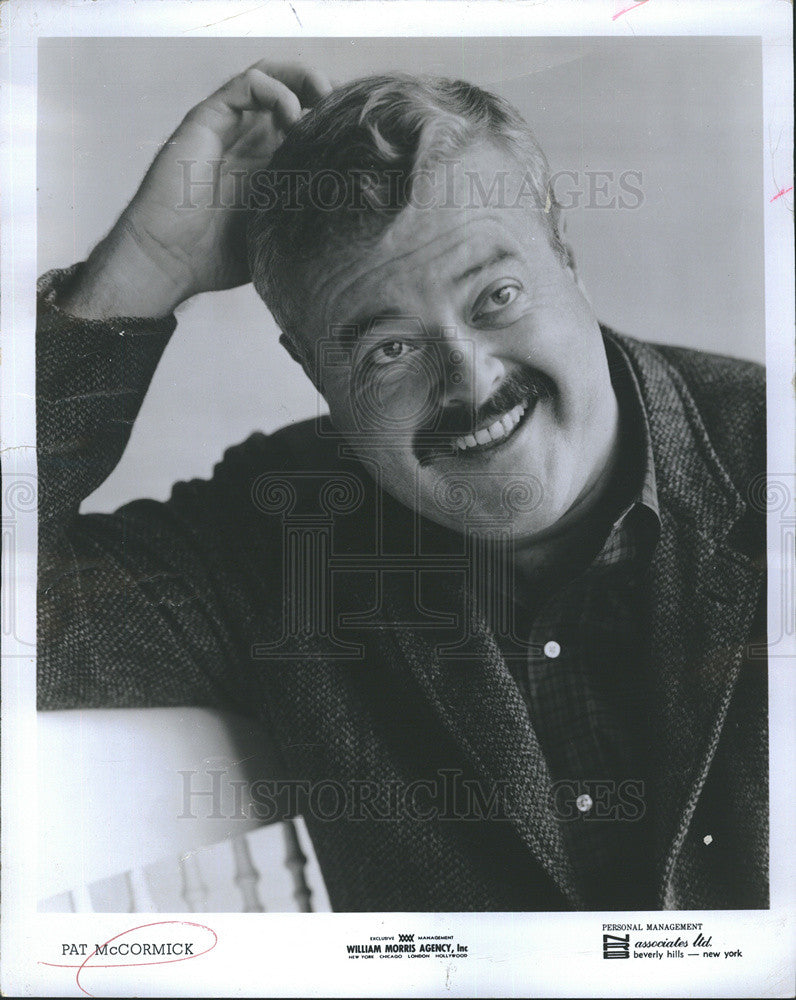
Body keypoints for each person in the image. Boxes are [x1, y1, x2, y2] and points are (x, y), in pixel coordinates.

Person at [37, 60, 768, 912]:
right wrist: (142, 268)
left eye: (495, 295)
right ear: (315, 373)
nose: (470, 378)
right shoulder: (288, 528)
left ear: (568, 259)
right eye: (389, 349)